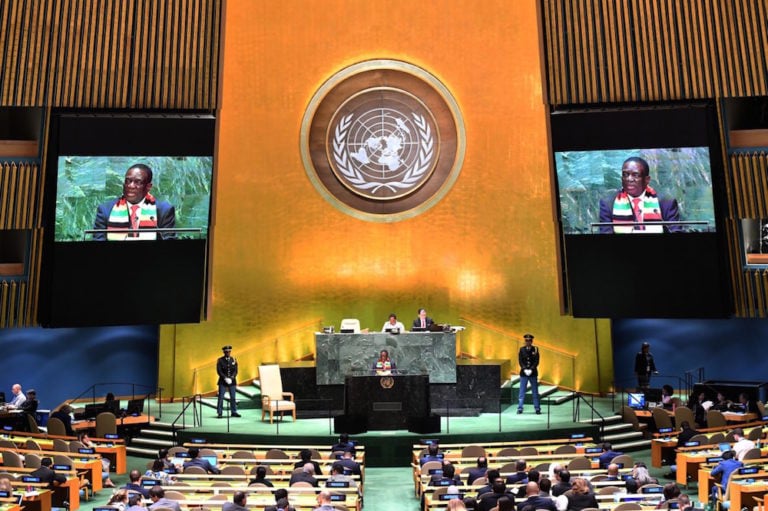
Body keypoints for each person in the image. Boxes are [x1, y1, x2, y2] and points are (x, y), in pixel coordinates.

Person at [93, 163, 176, 241]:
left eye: (138, 182)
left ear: (148, 187)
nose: (131, 186)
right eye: (128, 181)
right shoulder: (105, 210)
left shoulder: (164, 211)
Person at [598, 156, 681, 233]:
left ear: (647, 180)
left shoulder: (666, 202)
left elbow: (676, 231)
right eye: (625, 175)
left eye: (635, 175)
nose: (629, 179)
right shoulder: (608, 203)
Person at [517, 333, 541, 414]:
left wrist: (531, 369)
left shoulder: (536, 349)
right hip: (524, 373)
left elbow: (536, 361)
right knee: (522, 392)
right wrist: (524, 369)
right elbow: (520, 360)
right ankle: (520, 408)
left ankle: (537, 408)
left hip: (533, 373)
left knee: (535, 392)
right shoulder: (521, 349)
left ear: (532, 341)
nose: (528, 342)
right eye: (526, 340)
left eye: (529, 340)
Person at [216, 345, 240, 418]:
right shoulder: (220, 360)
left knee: (233, 397)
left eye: (229, 351)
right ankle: (220, 412)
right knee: (221, 397)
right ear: (224, 352)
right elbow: (219, 371)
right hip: (223, 381)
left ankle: (234, 411)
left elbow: (236, 370)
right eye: (226, 352)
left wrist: (232, 378)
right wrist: (225, 378)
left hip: (232, 381)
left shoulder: (234, 359)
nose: (228, 353)